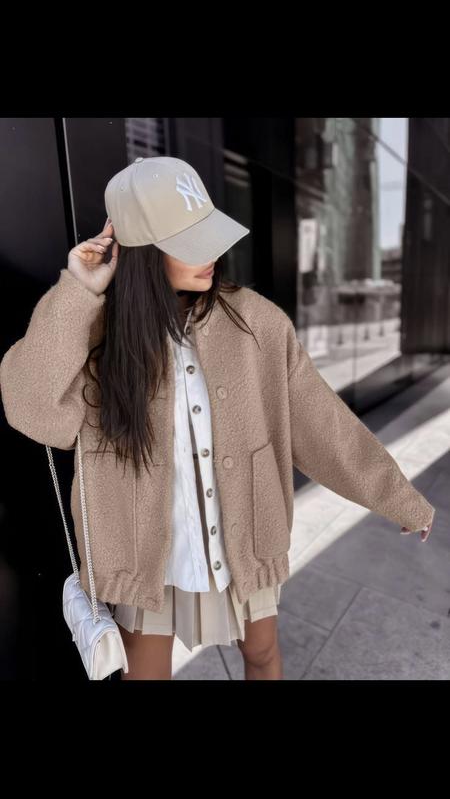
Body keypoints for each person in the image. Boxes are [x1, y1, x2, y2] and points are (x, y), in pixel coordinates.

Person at [0, 156, 435, 680]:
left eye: (209, 234)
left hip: (244, 538)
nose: (211, 255)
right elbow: (30, 407)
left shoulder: (257, 323)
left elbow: (324, 426)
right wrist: (78, 291)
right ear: (142, 252)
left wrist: (397, 497)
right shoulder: (99, 337)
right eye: (188, 242)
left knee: (262, 655)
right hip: (145, 553)